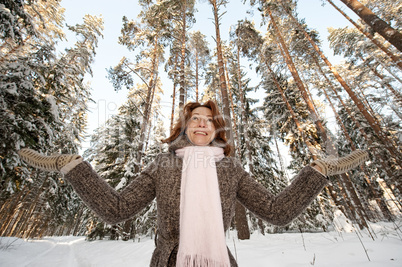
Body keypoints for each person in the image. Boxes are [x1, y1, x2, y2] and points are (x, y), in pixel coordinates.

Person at [18, 100, 369, 267]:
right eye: (195, 120)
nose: (202, 124)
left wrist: (318, 171)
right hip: (170, 261)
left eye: (209, 121)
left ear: (216, 130)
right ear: (185, 129)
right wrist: (74, 167)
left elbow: (277, 212)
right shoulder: (163, 164)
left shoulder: (231, 169)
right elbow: (116, 209)